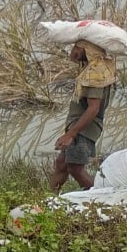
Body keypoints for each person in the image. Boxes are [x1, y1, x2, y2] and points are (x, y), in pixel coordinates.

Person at [51, 40, 115, 192]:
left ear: (89, 50)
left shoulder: (95, 73)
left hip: (83, 129)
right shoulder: (91, 67)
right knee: (62, 163)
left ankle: (102, 197)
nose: (74, 50)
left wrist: (71, 134)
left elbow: (93, 109)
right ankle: (49, 201)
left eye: (78, 47)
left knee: (75, 168)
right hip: (79, 126)